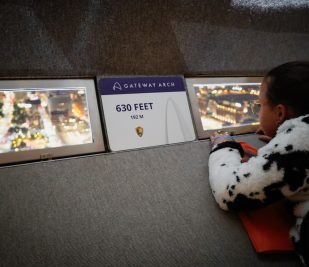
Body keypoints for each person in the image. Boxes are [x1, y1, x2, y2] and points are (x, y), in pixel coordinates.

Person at [208, 61, 309, 266]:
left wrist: (223, 146)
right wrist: (281, 140)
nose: (258, 111)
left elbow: (230, 193)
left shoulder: (302, 141)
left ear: (280, 113)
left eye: (259, 105)